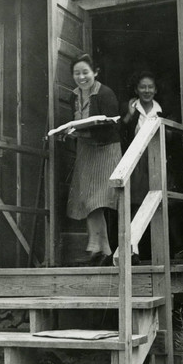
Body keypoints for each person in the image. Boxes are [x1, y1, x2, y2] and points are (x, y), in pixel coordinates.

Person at [66, 53, 121, 266]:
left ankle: (99, 248)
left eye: (85, 72)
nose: (81, 77)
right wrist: (71, 132)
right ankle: (100, 248)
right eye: (77, 73)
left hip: (106, 149)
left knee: (99, 199)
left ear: (95, 73)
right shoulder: (74, 96)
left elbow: (113, 126)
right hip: (85, 151)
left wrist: (82, 133)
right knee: (88, 201)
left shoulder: (105, 93)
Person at [121, 71, 164, 263]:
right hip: (136, 162)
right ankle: (134, 251)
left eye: (150, 87)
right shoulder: (131, 108)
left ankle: (157, 252)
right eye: (142, 87)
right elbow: (121, 133)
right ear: (136, 89)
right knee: (135, 204)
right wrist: (129, 116)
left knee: (157, 204)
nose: (146, 90)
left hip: (156, 160)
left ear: (155, 90)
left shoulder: (161, 110)